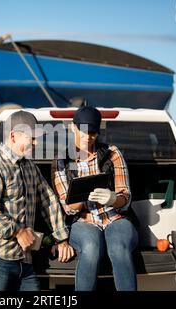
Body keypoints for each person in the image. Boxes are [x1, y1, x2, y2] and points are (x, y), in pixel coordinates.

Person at [0, 110, 75, 291]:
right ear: (13, 136)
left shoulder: (30, 167)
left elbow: (48, 200)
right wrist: (17, 232)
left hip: (23, 260)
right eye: (31, 138)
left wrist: (61, 239)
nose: (36, 142)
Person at [52, 105, 139, 291]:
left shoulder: (112, 153)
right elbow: (69, 208)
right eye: (83, 131)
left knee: (118, 247)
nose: (88, 136)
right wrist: (81, 194)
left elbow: (125, 197)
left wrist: (112, 198)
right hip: (83, 221)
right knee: (91, 248)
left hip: (115, 218)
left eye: (92, 132)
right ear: (72, 127)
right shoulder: (62, 160)